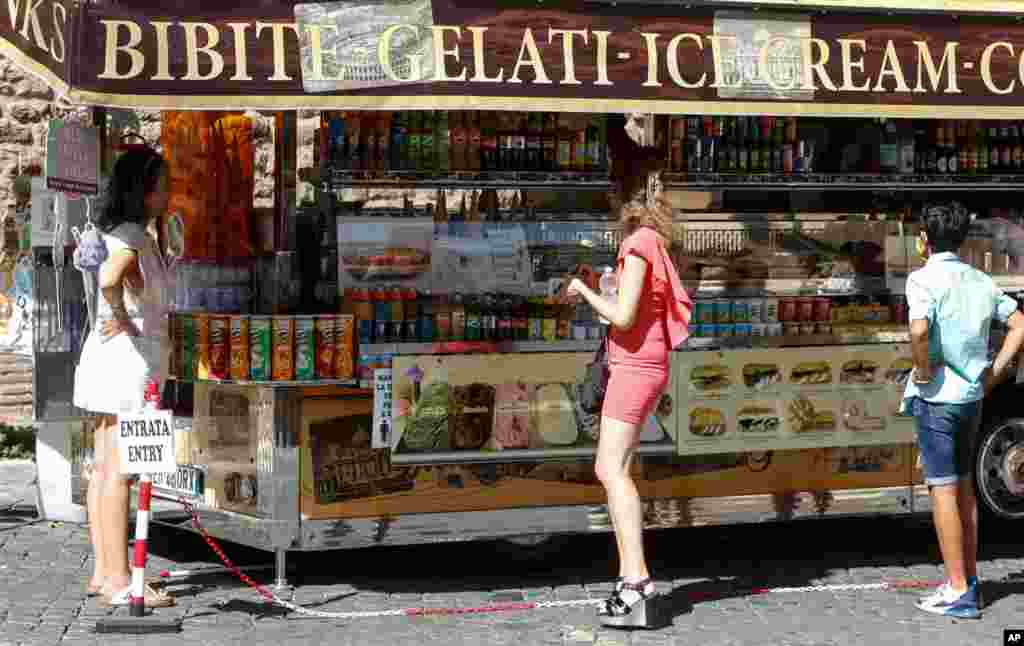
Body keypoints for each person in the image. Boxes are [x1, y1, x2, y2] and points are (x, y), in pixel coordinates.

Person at [567, 183, 690, 629]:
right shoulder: (653, 242)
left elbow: (621, 318)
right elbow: (630, 311)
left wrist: (582, 288)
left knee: (610, 470)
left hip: (635, 367)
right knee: (619, 470)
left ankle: (636, 582)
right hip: (643, 363)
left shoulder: (638, 244)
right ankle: (628, 582)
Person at [905, 202, 1024, 619]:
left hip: (936, 398)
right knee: (966, 489)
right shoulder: (979, 279)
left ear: (924, 240)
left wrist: (921, 370)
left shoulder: (922, 279)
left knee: (943, 489)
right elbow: (1021, 324)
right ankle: (966, 579)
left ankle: (958, 589)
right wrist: (992, 373)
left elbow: (919, 329)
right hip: (972, 397)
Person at [73, 146, 175, 607]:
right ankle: (118, 581)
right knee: (119, 474)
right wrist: (125, 316)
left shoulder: (120, 230)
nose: (169, 193)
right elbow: (111, 278)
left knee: (103, 472)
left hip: (110, 360)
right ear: (146, 190)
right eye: (164, 184)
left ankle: (103, 571)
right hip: (129, 363)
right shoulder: (132, 235)